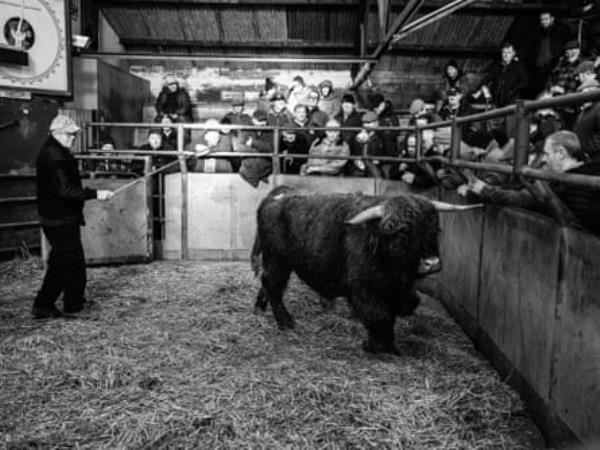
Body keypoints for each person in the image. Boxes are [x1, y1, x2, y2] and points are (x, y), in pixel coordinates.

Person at [33, 115, 114, 319]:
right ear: (57, 133)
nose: (73, 138)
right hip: (59, 218)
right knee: (64, 262)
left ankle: (74, 302)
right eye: (70, 134)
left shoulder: (58, 151)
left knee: (72, 261)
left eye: (75, 134)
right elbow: (65, 189)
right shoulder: (54, 155)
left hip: (62, 216)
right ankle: (44, 304)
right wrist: (95, 194)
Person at [465, 130, 600, 234]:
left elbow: (524, 199)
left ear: (561, 153)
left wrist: (485, 190)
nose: (544, 160)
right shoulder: (575, 176)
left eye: (547, 154)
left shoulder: (572, 183)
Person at [531, 11, 571, 96]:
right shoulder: (538, 33)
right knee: (538, 91)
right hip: (539, 68)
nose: (543, 22)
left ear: (552, 19)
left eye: (546, 19)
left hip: (552, 65)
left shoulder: (559, 30)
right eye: (542, 20)